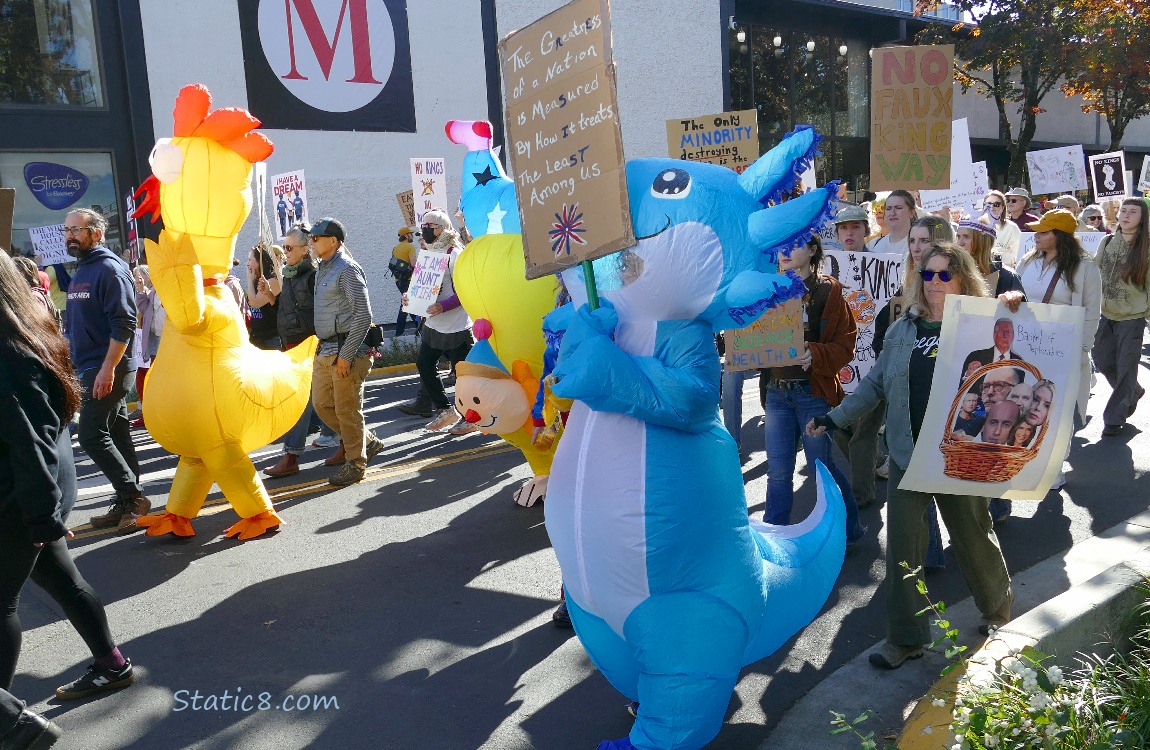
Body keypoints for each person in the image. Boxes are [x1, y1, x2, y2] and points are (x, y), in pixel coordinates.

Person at [807, 242, 1014, 669]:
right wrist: (834, 418)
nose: (934, 282)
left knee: (973, 535)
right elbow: (876, 384)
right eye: (927, 274)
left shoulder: (982, 323)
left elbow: (1023, 342)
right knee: (903, 547)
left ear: (962, 278)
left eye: (944, 274)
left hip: (958, 456)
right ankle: (906, 638)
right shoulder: (904, 328)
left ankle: (997, 611)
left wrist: (1016, 305)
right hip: (908, 453)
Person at [0, 252, 137, 712]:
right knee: (63, 581)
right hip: (35, 491)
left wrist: (42, 518)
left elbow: (28, 438)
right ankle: (112, 664)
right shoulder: (26, 330)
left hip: (23, 498)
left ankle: (5, 719)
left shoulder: (8, 348)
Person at [758, 235, 865, 544]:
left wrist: (815, 354)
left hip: (812, 394)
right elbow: (750, 337)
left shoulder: (828, 292)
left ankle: (850, 531)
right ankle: (774, 538)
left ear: (813, 250)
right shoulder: (768, 289)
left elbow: (845, 345)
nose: (784, 251)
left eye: (794, 244)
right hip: (777, 394)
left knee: (822, 468)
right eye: (780, 244)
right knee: (778, 472)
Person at [61, 208, 150, 532]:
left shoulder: (109, 269)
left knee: (91, 435)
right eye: (67, 230)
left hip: (107, 367)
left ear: (96, 233)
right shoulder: (82, 269)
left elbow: (125, 322)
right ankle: (126, 503)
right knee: (117, 433)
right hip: (88, 365)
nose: (69, 235)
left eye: (76, 229)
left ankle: (133, 494)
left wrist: (107, 369)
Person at [1013, 209, 1101, 488]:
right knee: (1027, 403)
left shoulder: (1085, 267)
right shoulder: (1028, 261)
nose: (1036, 235)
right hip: (1027, 345)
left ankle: (1054, 467)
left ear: (1059, 235)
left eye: (1043, 231)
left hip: (1064, 347)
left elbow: (1092, 311)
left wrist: (1082, 347)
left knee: (1059, 408)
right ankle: (1025, 459)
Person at [305, 217, 386, 487]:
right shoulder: (323, 268)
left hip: (345, 351)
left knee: (347, 410)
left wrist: (346, 356)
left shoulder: (347, 269)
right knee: (322, 404)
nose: (312, 242)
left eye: (316, 237)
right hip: (325, 348)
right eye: (311, 237)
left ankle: (356, 463)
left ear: (334, 241)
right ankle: (367, 442)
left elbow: (364, 315)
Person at [263, 227, 337, 478]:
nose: (285, 253)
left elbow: (320, 314)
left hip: (309, 348)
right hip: (292, 348)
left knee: (302, 404)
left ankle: (291, 456)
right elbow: (286, 314)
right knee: (322, 402)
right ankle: (358, 442)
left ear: (305, 250)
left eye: (289, 248)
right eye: (284, 248)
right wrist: (271, 298)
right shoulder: (291, 275)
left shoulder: (313, 277)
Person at [828, 204, 886, 508]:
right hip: (840, 362)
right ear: (837, 233)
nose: (849, 233)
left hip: (875, 359)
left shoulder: (884, 267)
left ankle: (862, 493)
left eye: (855, 227)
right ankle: (871, 463)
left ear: (866, 230)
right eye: (844, 228)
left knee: (864, 431)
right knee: (839, 426)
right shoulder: (826, 268)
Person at [402, 209, 474, 432]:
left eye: (429, 226)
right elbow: (421, 286)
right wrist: (410, 297)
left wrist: (444, 306)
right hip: (434, 325)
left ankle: (470, 416)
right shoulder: (428, 253)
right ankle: (445, 409)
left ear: (442, 228)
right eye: (423, 226)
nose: (424, 230)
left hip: (456, 325)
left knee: (463, 375)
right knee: (424, 365)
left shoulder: (455, 254)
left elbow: (466, 291)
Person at [1092, 197, 1150, 437]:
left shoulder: (1146, 247)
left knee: (1126, 367)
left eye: (1132, 212)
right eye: (1123, 210)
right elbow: (1093, 274)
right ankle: (1132, 391)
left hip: (1133, 317)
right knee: (1102, 360)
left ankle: (1114, 418)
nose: (1125, 215)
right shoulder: (1106, 241)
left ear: (1142, 218)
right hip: (1104, 314)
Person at [955, 219, 1026, 300]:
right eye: (958, 236)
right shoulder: (953, 272)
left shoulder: (1007, 277)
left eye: (966, 237)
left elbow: (1022, 311)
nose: (960, 243)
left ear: (983, 241)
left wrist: (1014, 298)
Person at [131, 265, 163, 429]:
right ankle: (147, 413)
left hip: (156, 342)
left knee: (151, 379)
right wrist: (141, 290)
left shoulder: (158, 292)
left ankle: (155, 415)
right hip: (144, 341)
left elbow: (156, 321)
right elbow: (140, 309)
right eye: (135, 276)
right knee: (141, 379)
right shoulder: (145, 292)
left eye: (140, 275)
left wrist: (144, 291)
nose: (137, 278)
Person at [245, 244, 282, 350]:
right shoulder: (256, 281)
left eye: (250, 260)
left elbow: (255, 303)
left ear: (259, 261)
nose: (248, 264)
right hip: (258, 336)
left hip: (271, 337)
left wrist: (249, 280)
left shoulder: (273, 280)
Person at [866, 189, 914, 255]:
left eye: (898, 208)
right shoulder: (873, 245)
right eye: (888, 209)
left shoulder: (920, 245)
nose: (892, 213)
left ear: (911, 212)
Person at [391, 227, 418, 338]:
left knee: (409, 304)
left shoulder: (395, 248)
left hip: (399, 281)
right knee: (407, 305)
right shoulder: (410, 247)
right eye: (411, 234)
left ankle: (417, 327)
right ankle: (399, 332)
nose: (412, 236)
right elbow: (413, 264)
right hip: (408, 280)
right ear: (406, 235)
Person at [982, 190, 1021, 265]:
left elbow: (1016, 257)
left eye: (996, 204)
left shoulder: (1012, 228)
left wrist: (992, 255)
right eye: (988, 204)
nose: (992, 207)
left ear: (1003, 207)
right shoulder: (975, 226)